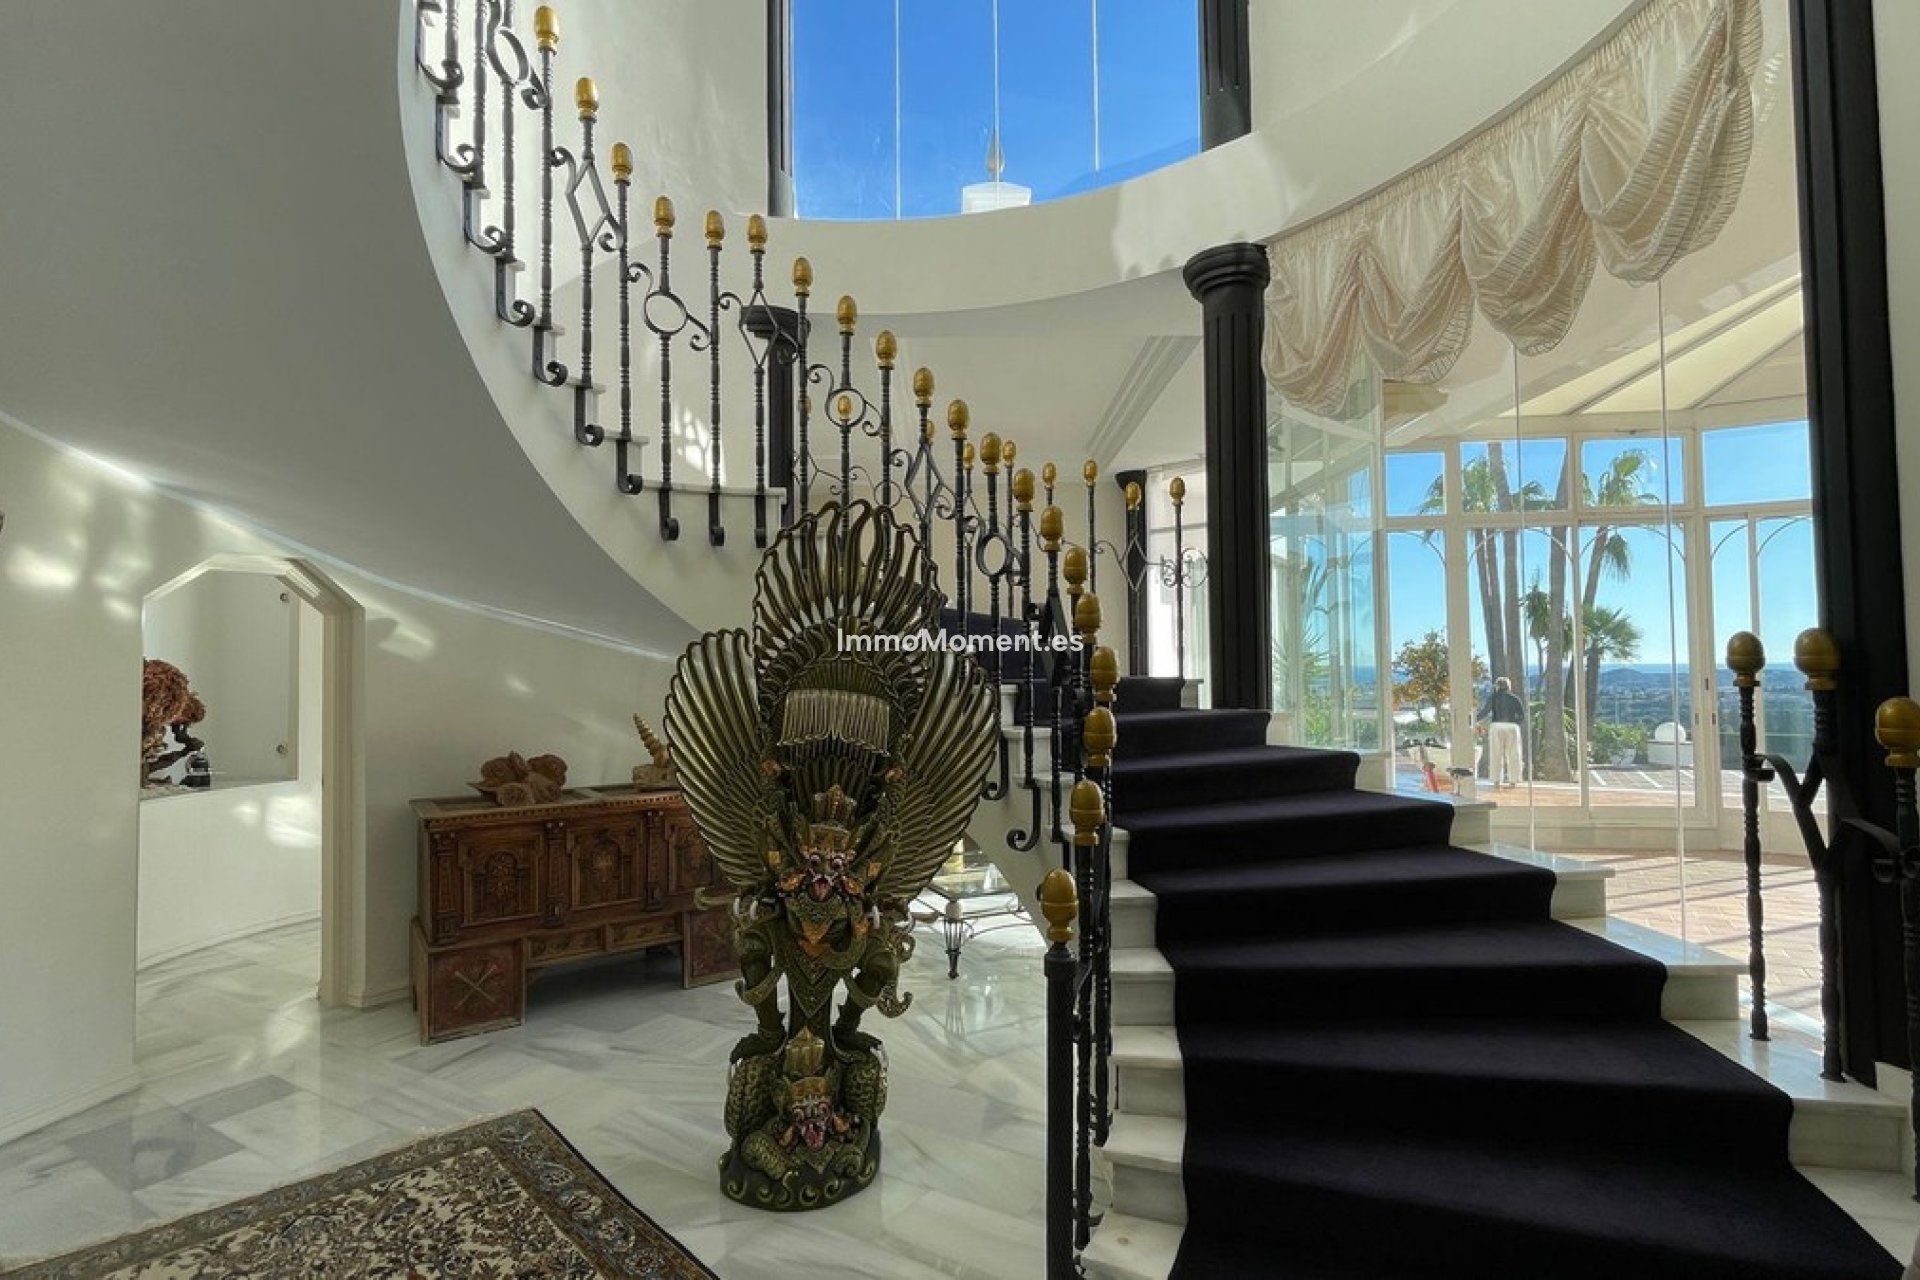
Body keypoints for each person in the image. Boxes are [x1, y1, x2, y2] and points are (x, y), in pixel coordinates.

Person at [1477, 676, 1526, 788]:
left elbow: (1485, 711)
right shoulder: (1515, 699)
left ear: (1497, 686)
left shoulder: (1493, 698)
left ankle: (1496, 781)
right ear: (1509, 686)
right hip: (1512, 726)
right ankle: (1513, 781)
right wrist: (1515, 723)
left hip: (1497, 726)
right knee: (1513, 753)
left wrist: (1474, 719)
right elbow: (1522, 716)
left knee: (1496, 753)